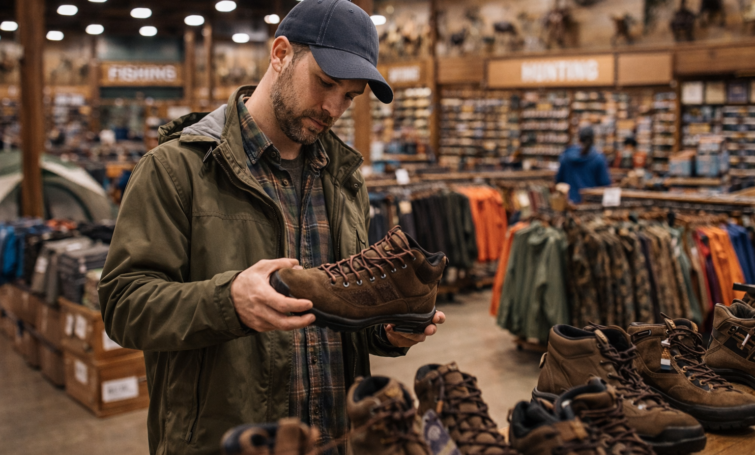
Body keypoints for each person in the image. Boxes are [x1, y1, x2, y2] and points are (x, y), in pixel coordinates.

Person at [98, 1, 445, 454]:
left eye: (349, 96)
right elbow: (124, 305)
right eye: (325, 83)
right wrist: (229, 303)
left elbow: (335, 311)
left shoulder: (344, 181)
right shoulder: (175, 170)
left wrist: (383, 332)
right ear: (280, 54)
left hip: (335, 438)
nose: (332, 107)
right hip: (226, 441)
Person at [555, 126, 611, 203]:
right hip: (590, 206)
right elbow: (605, 184)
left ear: (579, 139)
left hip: (568, 204)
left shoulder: (566, 156)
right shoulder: (598, 158)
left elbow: (559, 181)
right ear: (593, 139)